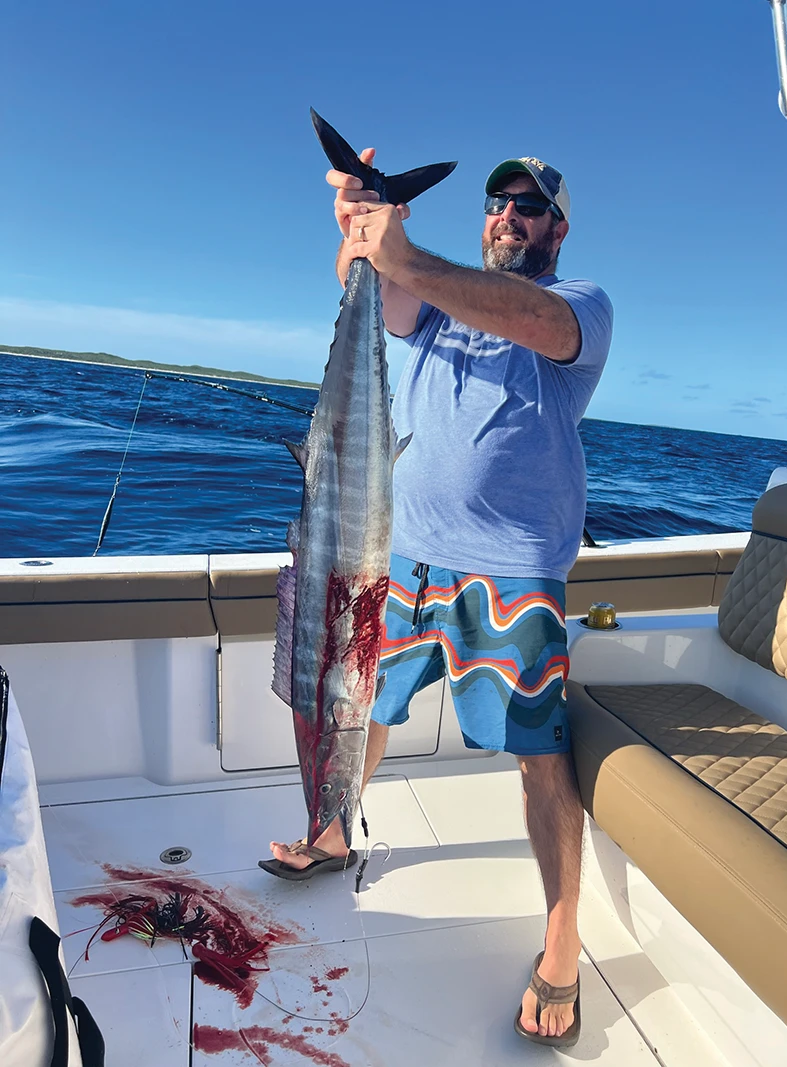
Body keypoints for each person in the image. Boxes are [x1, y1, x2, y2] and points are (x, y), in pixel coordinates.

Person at [262, 144, 613, 1048]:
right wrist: (360, 226)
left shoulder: (579, 307)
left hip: (511, 572)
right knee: (362, 702)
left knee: (538, 756)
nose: (509, 215)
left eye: (529, 206)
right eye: (498, 203)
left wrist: (402, 250)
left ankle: (563, 941)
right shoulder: (433, 310)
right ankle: (334, 830)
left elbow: (524, 317)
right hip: (398, 553)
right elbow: (378, 289)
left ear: (557, 229)